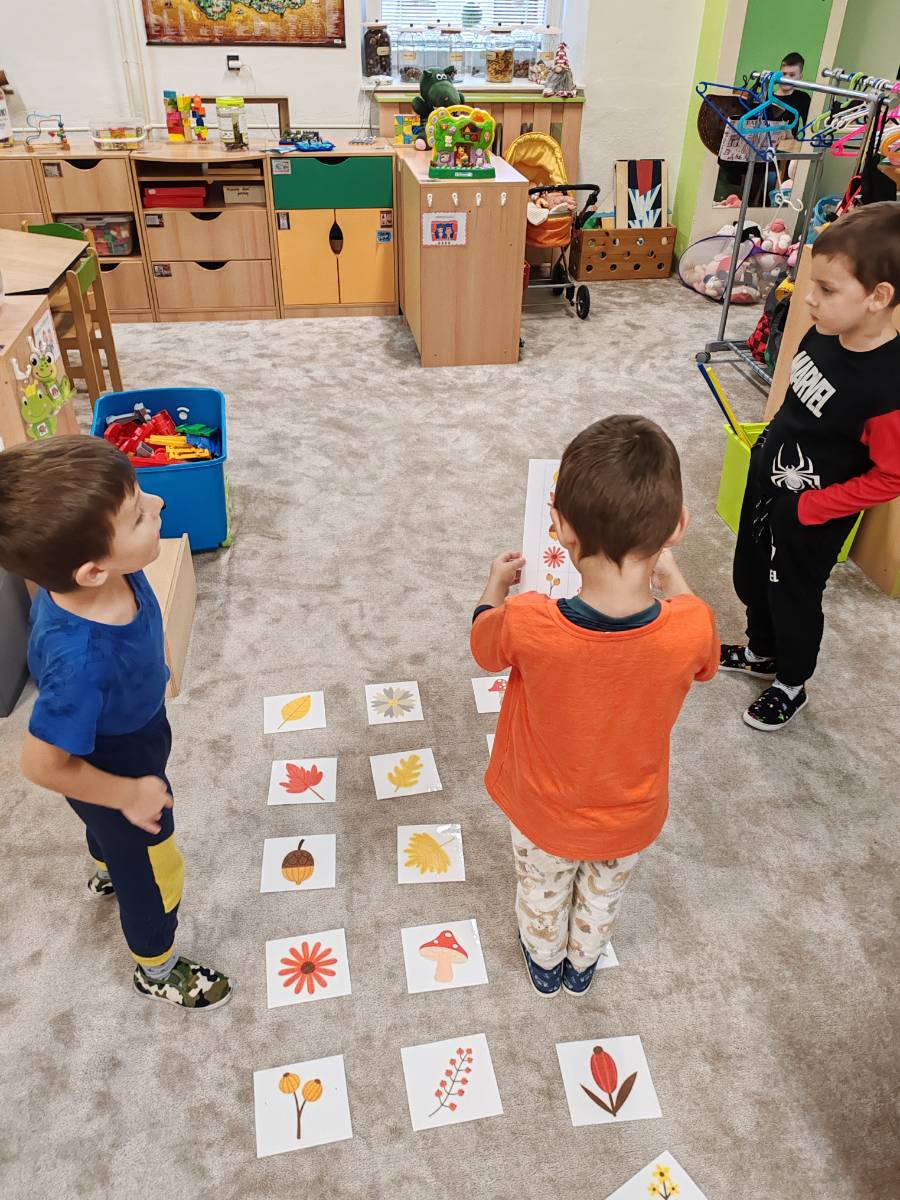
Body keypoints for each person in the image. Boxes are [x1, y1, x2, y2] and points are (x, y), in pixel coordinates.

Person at [470, 416, 719, 997]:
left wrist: (495, 587)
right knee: (603, 896)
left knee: (542, 890)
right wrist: (674, 579)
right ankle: (582, 964)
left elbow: (484, 647)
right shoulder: (694, 625)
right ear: (678, 528)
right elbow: (706, 661)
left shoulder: (528, 620)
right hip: (631, 814)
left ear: (558, 527)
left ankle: (544, 963)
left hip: (543, 809)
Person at [0, 436, 232, 1009]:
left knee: (105, 830)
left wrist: (157, 665)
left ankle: (107, 859)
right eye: (137, 514)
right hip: (113, 766)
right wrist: (126, 794)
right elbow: (42, 764)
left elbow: (143, 625)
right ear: (91, 570)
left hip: (133, 731)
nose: (158, 503)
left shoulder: (117, 572)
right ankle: (157, 966)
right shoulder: (79, 662)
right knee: (154, 872)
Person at [721, 201, 900, 729]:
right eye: (810, 284)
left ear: (878, 297)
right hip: (769, 479)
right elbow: (797, 399)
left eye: (826, 289)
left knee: (792, 596)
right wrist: (766, 442)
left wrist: (812, 508)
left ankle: (791, 682)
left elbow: (891, 477)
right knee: (750, 575)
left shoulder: (889, 389)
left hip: (813, 514)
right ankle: (761, 652)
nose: (808, 298)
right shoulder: (821, 332)